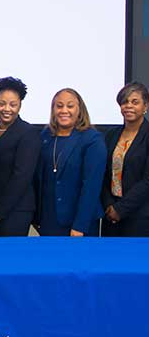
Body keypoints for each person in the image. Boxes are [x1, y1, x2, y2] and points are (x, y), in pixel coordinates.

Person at [36, 88, 106, 237]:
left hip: (79, 223)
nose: (64, 110)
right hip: (49, 221)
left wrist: (80, 225)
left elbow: (92, 186)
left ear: (79, 110)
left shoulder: (92, 140)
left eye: (70, 106)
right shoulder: (46, 136)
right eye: (59, 106)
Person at [0, 77, 41, 237]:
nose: (6, 109)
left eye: (12, 104)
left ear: (20, 104)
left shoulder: (28, 133)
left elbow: (21, 177)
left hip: (14, 211)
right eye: (1, 103)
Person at [101, 82, 149, 237]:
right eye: (124, 102)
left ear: (145, 106)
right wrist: (109, 205)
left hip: (140, 215)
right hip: (111, 214)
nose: (128, 106)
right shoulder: (111, 135)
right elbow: (103, 174)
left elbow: (147, 181)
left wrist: (121, 209)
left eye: (135, 102)